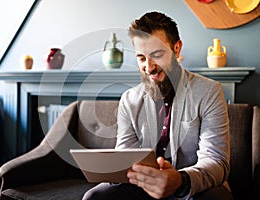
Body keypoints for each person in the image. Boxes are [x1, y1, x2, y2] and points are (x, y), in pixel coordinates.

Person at [83, 11, 233, 200]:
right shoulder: (129, 100)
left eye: (157, 54)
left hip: (192, 187)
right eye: (141, 58)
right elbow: (125, 158)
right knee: (95, 196)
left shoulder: (209, 92)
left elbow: (216, 162)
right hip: (142, 188)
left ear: (176, 49)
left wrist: (179, 180)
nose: (149, 67)